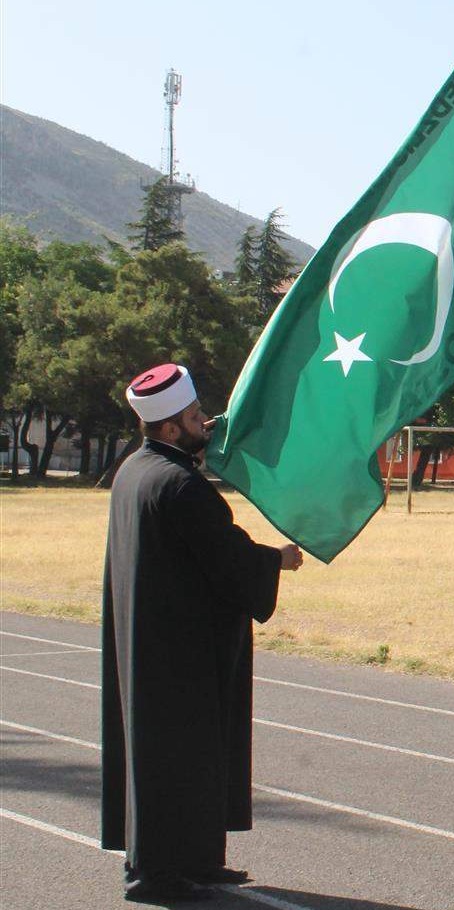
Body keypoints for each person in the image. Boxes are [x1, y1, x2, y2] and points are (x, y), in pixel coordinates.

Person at [101, 363, 303, 903]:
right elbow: (227, 558)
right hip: (178, 649)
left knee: (188, 757)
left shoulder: (135, 470)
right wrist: (277, 559)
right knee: (175, 759)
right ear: (169, 429)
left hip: (157, 639)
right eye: (193, 418)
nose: (204, 424)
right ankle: (156, 873)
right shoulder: (179, 485)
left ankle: (191, 860)